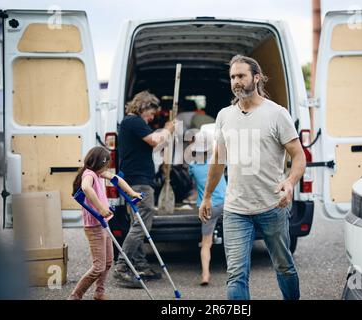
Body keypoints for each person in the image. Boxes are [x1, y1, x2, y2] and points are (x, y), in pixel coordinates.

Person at [199, 55, 306, 300]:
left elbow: (299, 156)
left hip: (272, 205)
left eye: (241, 76)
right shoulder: (225, 115)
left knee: (283, 266)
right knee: (236, 274)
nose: (236, 82)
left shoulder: (277, 114)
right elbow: (218, 160)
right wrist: (206, 197)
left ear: (256, 78)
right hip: (235, 208)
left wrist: (289, 182)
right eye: (233, 77)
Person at [114, 91, 175, 288]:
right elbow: (155, 141)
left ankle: (139, 264)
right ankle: (122, 266)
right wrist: (167, 129)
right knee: (141, 224)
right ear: (143, 107)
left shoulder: (131, 123)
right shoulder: (134, 121)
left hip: (135, 180)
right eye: (150, 114)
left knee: (137, 223)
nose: (151, 118)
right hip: (138, 182)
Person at [69, 146, 142, 300]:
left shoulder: (98, 172)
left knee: (108, 262)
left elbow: (117, 179)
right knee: (98, 266)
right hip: (94, 226)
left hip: (104, 224)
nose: (107, 167)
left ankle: (99, 292)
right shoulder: (89, 174)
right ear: (100, 162)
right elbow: (86, 188)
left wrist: (132, 193)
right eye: (106, 163)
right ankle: (75, 295)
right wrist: (101, 208)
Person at [188, 125, 226, 286]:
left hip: (207, 207)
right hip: (225, 203)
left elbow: (193, 183)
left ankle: (205, 274)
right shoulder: (218, 161)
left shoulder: (194, 167)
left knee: (206, 243)